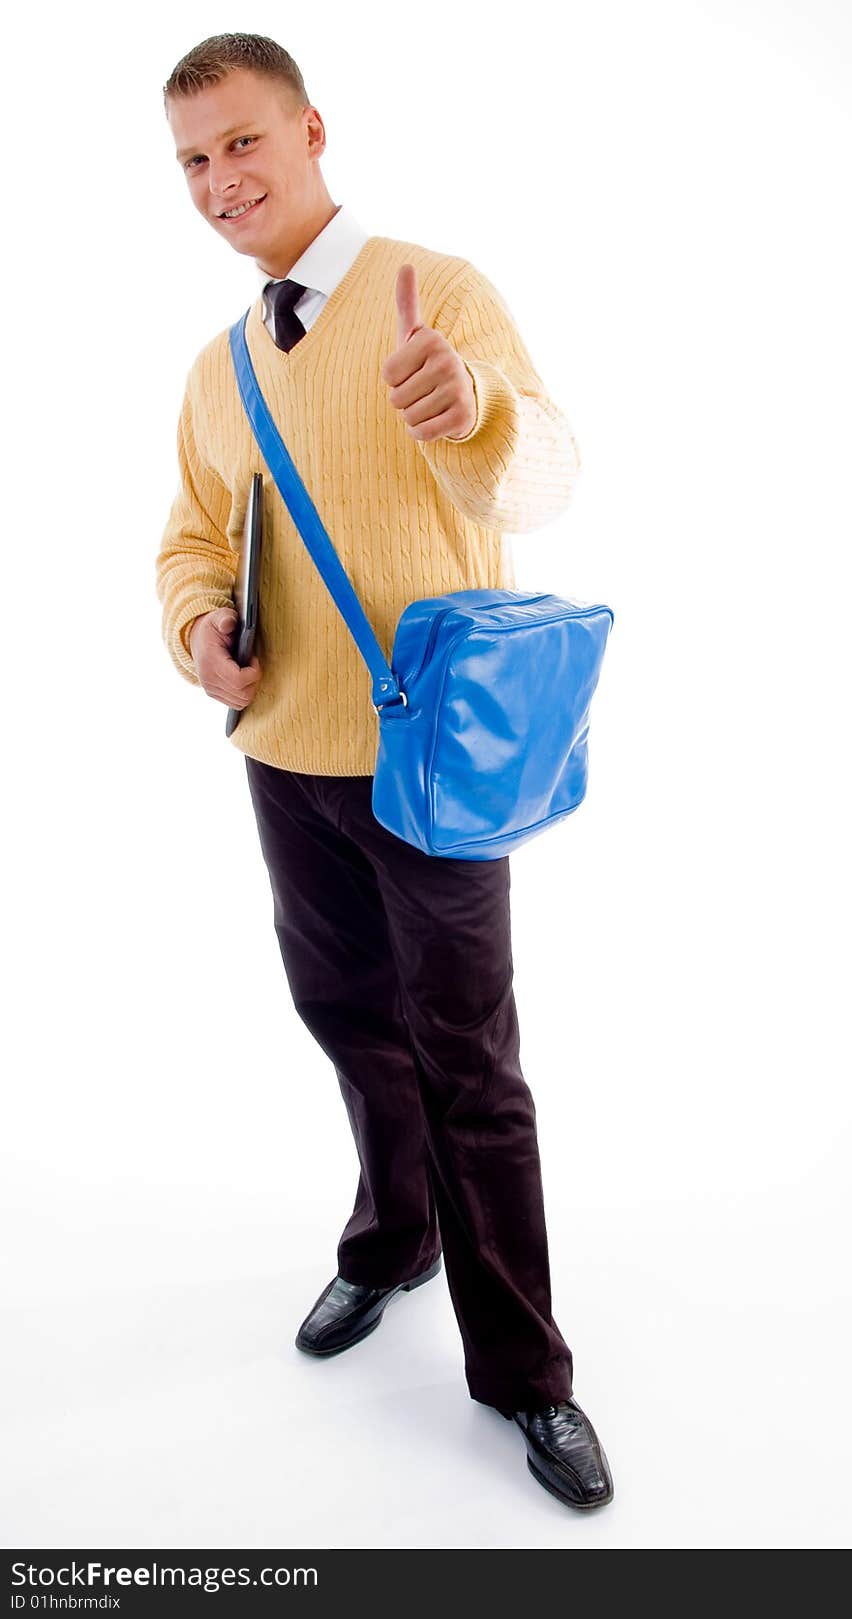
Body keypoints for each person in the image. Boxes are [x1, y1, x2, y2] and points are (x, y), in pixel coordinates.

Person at [156, 30, 613, 1512]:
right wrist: (196, 637)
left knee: (471, 1062)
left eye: (241, 142)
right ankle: (391, 1240)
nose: (220, 179)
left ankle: (529, 1379)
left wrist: (464, 404)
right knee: (349, 1018)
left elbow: (540, 476)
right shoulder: (219, 368)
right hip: (283, 751)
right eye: (193, 161)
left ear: (309, 133)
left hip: (431, 763)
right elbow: (186, 536)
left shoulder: (437, 292)